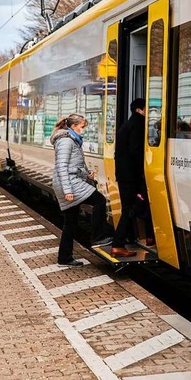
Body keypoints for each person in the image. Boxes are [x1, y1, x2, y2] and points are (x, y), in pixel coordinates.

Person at [50, 113, 113, 266]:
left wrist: (87, 173)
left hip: (72, 182)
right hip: (69, 184)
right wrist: (68, 191)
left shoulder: (73, 140)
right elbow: (62, 167)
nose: (84, 130)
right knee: (99, 200)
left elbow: (74, 165)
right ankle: (98, 236)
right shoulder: (66, 141)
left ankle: (64, 258)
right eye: (82, 127)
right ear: (73, 126)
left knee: (70, 223)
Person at [111, 98, 155, 258]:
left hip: (124, 175)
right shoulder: (138, 125)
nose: (149, 113)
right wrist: (142, 176)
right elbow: (136, 152)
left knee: (131, 207)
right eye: (147, 109)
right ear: (139, 110)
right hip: (131, 176)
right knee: (131, 208)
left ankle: (143, 237)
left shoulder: (127, 125)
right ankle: (118, 244)